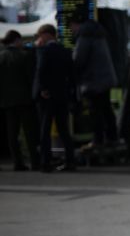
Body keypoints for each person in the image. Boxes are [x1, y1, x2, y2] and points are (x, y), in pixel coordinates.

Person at [32, 24, 76, 173]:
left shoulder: (44, 51)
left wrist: (43, 89)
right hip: (62, 95)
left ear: (46, 34)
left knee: (45, 130)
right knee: (64, 129)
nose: (39, 39)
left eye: (40, 35)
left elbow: (41, 70)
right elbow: (71, 74)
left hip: (47, 96)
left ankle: (46, 163)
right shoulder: (65, 51)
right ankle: (70, 161)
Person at [71, 14, 119, 148]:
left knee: (95, 111)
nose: (72, 30)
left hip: (93, 80)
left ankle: (98, 140)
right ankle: (112, 137)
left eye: (72, 26)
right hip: (106, 78)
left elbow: (79, 59)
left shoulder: (84, 35)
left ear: (76, 24)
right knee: (106, 109)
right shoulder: (98, 32)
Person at [0, 29, 40, 171]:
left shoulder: (1, 57)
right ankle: (35, 161)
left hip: (7, 101)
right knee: (30, 132)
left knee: (12, 133)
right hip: (25, 100)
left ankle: (17, 162)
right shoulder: (25, 56)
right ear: (16, 41)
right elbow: (31, 78)